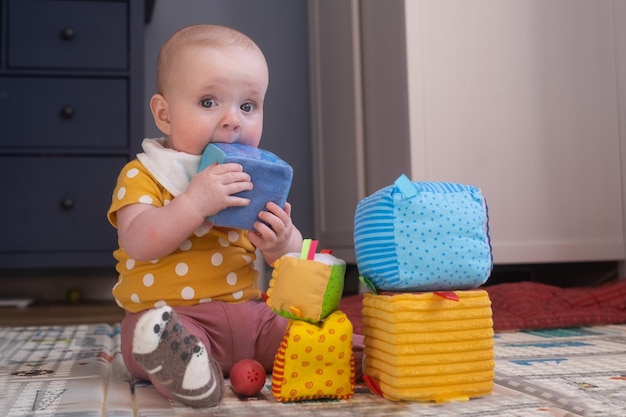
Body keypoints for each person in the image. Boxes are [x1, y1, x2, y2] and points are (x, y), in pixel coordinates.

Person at [107, 24, 305, 408]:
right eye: (209, 102)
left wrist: (282, 243)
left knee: (295, 327)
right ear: (164, 115)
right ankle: (186, 368)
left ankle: (343, 353)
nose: (233, 120)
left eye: (248, 106)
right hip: (173, 316)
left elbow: (288, 265)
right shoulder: (145, 174)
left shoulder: (248, 180)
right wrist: (194, 204)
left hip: (248, 319)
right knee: (151, 337)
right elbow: (138, 241)